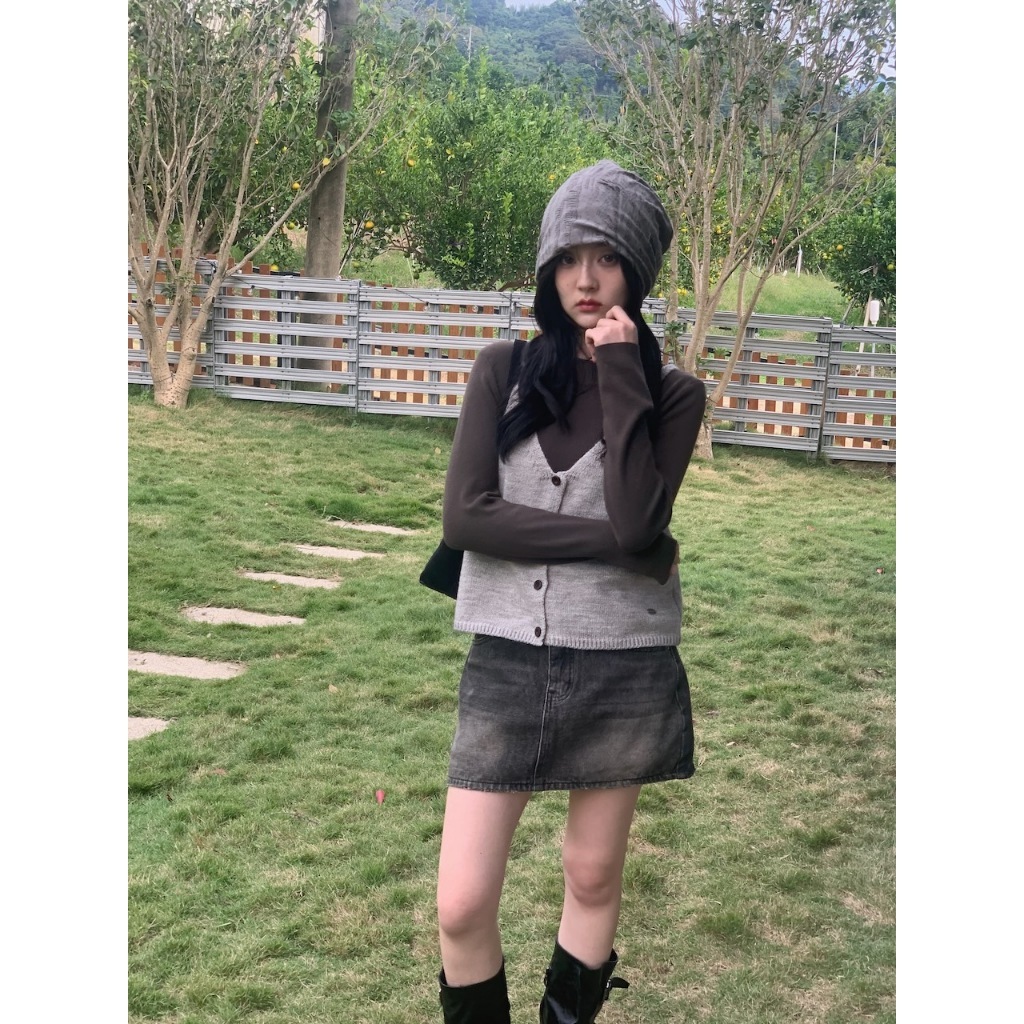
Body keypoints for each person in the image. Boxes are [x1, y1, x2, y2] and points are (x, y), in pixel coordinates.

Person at [435, 159, 707, 1023]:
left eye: (607, 258)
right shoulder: (502, 370)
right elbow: (468, 518)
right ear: (548, 268)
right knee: (461, 903)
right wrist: (628, 550)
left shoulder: (672, 395)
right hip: (507, 658)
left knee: (591, 876)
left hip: (622, 661)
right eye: (568, 258)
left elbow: (638, 515)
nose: (585, 279)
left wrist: (622, 371)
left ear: (637, 271)